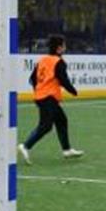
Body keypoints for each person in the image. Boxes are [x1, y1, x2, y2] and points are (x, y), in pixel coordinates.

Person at [17, 35, 82, 163]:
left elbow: (32, 79)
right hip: (48, 97)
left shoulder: (42, 60)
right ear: (59, 48)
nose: (65, 47)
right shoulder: (58, 62)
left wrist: (39, 90)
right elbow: (63, 80)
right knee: (46, 126)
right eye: (64, 45)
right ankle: (25, 146)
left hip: (42, 96)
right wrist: (73, 91)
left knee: (61, 120)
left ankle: (67, 149)